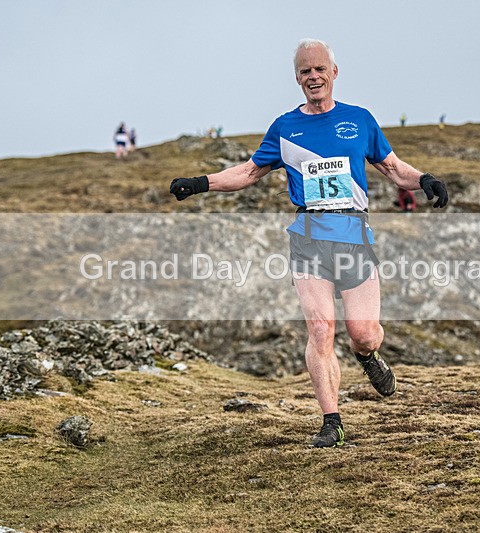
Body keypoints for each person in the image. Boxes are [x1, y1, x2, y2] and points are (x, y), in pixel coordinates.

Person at [169, 38, 448, 448]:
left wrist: (424, 179)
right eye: (304, 71)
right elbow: (249, 172)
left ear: (334, 73)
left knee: (364, 332)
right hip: (309, 237)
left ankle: (368, 357)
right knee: (320, 329)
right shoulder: (285, 127)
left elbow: (391, 167)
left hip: (354, 235)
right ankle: (331, 420)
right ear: (297, 78)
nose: (313, 77)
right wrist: (200, 183)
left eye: (319, 69)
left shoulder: (359, 119)